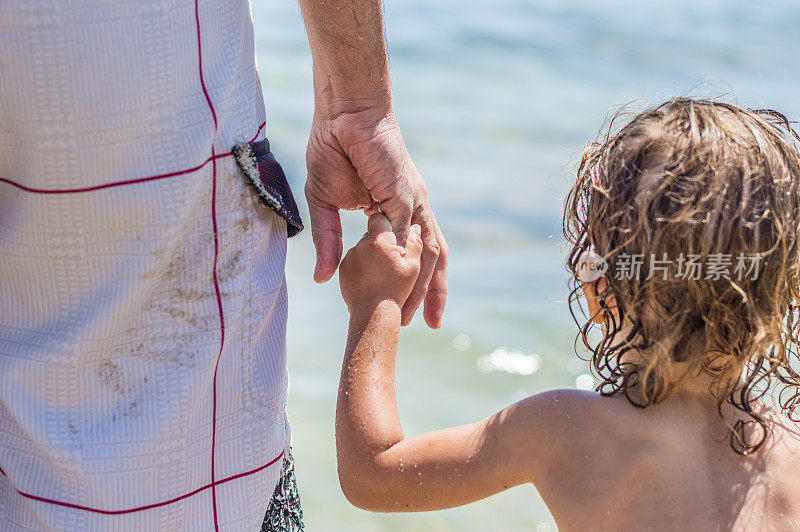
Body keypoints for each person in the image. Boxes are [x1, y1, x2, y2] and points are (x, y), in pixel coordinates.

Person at [0, 0, 446, 530]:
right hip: (137, 62)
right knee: (163, 486)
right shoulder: (558, 431)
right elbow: (375, 474)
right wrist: (360, 107)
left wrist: (375, 304)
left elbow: (375, 470)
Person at [335, 98, 800, 530]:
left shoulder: (565, 431)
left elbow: (373, 474)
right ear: (782, 292)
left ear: (601, 291)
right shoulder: (792, 452)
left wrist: (375, 304)